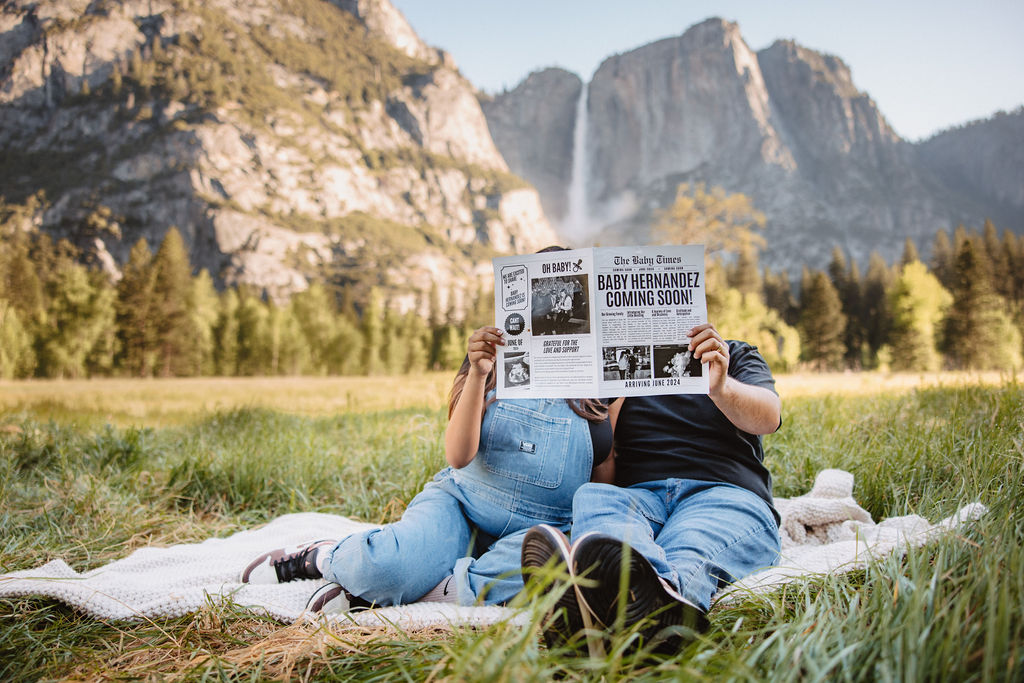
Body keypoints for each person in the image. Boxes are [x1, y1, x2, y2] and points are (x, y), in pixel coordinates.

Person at [240, 326, 614, 612]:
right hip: (461, 508)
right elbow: (457, 455)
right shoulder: (491, 356)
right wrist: (480, 373)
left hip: (538, 532)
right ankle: (322, 557)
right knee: (385, 568)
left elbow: (603, 477)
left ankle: (420, 589)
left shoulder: (601, 381)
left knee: (559, 569)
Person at [522, 323, 781, 653]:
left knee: (689, 543)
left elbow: (768, 417)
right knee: (594, 498)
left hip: (723, 491)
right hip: (644, 497)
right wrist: (609, 403)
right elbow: (604, 465)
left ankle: (645, 609)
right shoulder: (621, 369)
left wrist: (720, 387)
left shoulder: (734, 353)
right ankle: (616, 604)